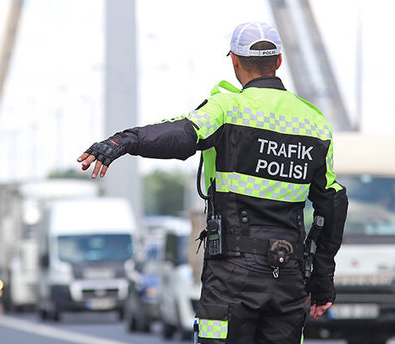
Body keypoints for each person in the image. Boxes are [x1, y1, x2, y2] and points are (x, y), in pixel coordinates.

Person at [77, 22, 348, 344]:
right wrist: (321, 281)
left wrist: (122, 142)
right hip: (288, 273)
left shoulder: (227, 108)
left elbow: (180, 134)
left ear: (234, 60)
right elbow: (332, 205)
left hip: (233, 274)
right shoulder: (315, 124)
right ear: (278, 61)